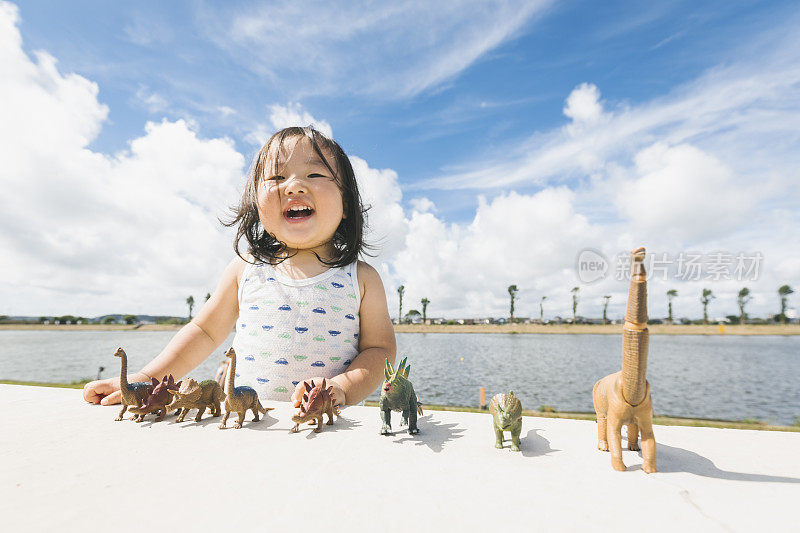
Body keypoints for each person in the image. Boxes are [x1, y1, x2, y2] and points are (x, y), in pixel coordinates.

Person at [83, 126, 396, 409]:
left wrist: (342, 386)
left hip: (328, 424)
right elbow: (204, 332)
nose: (294, 186)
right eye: (276, 178)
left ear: (345, 204)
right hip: (246, 426)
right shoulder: (245, 269)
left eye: (314, 175)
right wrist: (147, 378)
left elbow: (379, 349)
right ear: (257, 204)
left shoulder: (361, 278)